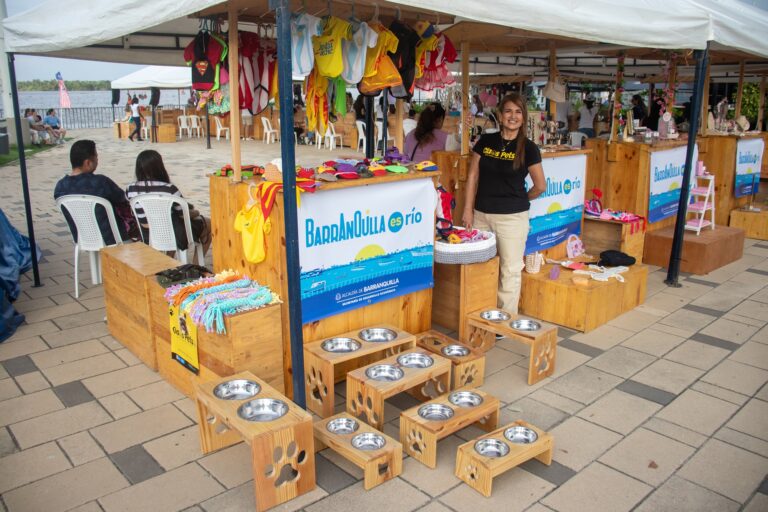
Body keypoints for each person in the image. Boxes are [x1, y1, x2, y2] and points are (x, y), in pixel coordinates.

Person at [462, 93, 546, 314]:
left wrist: (519, 201)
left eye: (518, 112)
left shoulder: (528, 148)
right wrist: (467, 210)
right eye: (508, 111)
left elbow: (540, 186)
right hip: (480, 216)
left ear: (523, 117)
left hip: (512, 219)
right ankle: (477, 314)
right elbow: (472, 177)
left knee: (509, 270)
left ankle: (504, 322)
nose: (513, 116)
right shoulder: (486, 141)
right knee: (479, 268)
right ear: (500, 114)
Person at [125, 150, 212, 257]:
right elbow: (183, 214)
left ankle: (167, 260)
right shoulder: (169, 189)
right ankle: (197, 266)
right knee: (208, 224)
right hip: (173, 234)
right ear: (160, 167)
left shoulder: (130, 188)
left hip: (147, 235)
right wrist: (196, 212)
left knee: (171, 222)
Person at [54, 140, 137, 245]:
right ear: (88, 163)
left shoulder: (60, 187)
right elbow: (124, 200)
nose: (98, 160)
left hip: (82, 240)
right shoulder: (101, 182)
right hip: (113, 239)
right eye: (96, 157)